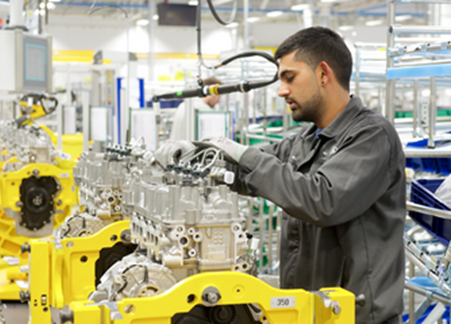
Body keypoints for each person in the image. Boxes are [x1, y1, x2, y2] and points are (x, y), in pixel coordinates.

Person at [154, 26, 405, 324]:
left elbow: (322, 200)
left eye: (289, 77)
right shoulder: (306, 139)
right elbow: (250, 171)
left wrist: (244, 155)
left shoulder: (371, 136)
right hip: (306, 310)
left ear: (323, 74)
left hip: (355, 316)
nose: (282, 90)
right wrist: (198, 157)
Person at [169, 76, 222, 140]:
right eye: (218, 96)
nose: (218, 101)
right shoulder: (204, 110)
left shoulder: (183, 105)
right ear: (211, 93)